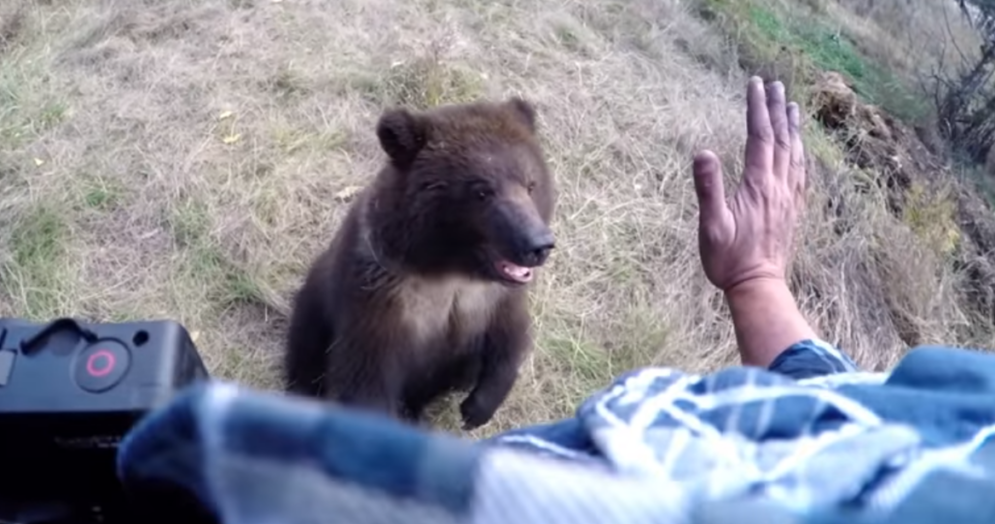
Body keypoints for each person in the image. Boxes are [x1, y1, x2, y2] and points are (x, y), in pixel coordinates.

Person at [117, 78, 995, 524]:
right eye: (493, 203)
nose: (534, 229)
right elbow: (840, 402)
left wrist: (494, 380)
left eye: (530, 195)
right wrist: (761, 281)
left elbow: (510, 331)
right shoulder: (381, 266)